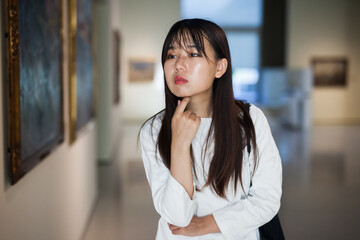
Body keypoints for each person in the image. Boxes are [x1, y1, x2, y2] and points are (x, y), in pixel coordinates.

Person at [139, 18, 282, 240]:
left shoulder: (249, 120)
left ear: (220, 67)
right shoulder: (153, 130)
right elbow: (177, 218)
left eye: (193, 54)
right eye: (171, 55)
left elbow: (267, 200)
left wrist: (206, 224)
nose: (179, 64)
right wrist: (179, 144)